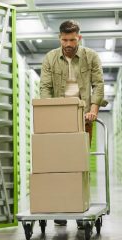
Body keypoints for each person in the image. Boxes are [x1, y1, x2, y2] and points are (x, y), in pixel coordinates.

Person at [39, 20, 107, 227]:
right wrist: (49, 115)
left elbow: (98, 84)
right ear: (59, 38)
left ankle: (80, 207)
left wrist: (94, 109)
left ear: (79, 37)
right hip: (58, 116)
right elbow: (45, 88)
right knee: (58, 164)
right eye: (64, 39)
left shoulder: (90, 57)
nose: (68, 43)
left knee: (80, 164)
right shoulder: (50, 58)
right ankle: (61, 206)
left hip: (83, 116)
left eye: (72, 39)